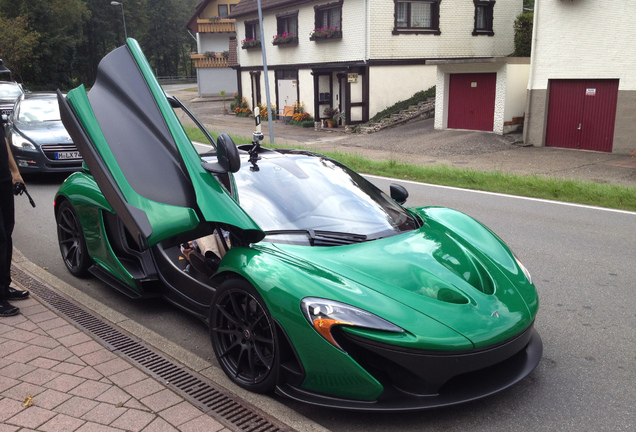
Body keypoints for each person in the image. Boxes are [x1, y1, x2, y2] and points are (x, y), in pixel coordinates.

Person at [0, 117, 29, 317]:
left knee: (7, 233)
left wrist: (15, 172)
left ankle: (4, 287)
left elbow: (3, 140)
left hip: (2, 180)